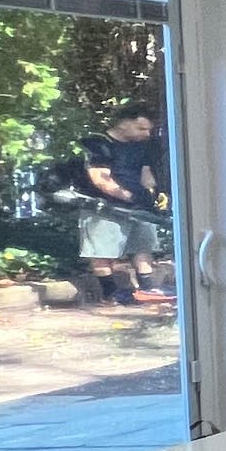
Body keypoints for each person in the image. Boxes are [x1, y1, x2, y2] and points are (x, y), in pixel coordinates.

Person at [75, 106, 171, 307]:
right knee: (102, 252)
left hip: (138, 207)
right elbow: (100, 179)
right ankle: (111, 294)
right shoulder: (99, 144)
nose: (146, 134)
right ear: (124, 123)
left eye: (148, 130)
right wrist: (128, 196)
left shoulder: (142, 145)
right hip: (103, 207)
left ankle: (148, 289)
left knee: (142, 246)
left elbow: (146, 173)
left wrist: (152, 194)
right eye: (141, 128)